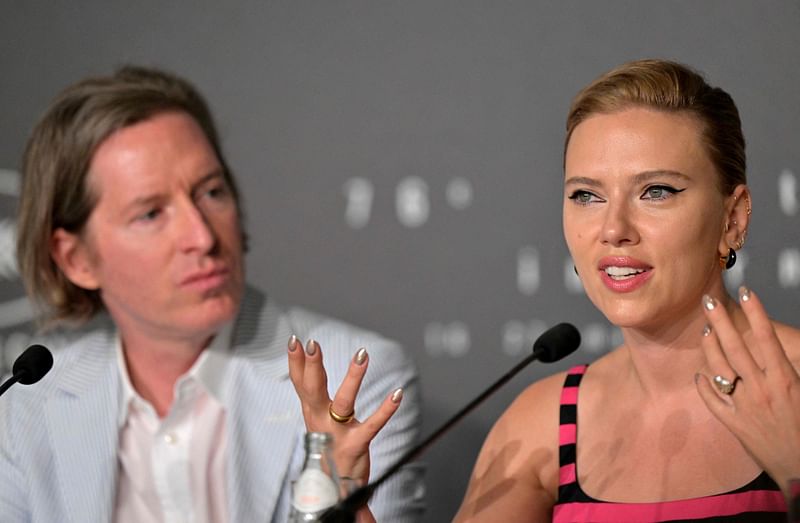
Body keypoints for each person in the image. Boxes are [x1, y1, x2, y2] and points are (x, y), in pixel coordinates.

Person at [0, 66, 423, 522]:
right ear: (75, 259)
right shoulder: (27, 408)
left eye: (212, 192)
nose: (202, 236)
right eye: (150, 214)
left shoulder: (351, 380)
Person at [454, 59, 800, 522]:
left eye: (656, 191)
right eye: (586, 196)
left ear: (733, 218)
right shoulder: (540, 423)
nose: (613, 229)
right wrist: (340, 486)